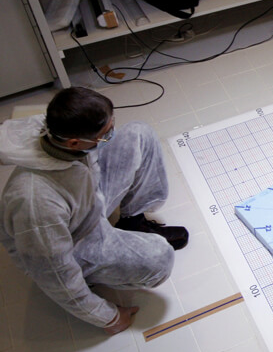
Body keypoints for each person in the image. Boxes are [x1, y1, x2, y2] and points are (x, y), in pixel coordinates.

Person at [0, 87, 188, 335]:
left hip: (87, 197)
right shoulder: (36, 203)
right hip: (78, 238)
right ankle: (96, 271)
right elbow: (55, 275)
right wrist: (108, 317)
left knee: (138, 133)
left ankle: (131, 222)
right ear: (75, 143)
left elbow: (98, 153)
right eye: (106, 134)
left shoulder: (59, 132)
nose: (111, 135)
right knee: (160, 257)